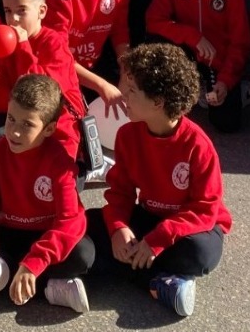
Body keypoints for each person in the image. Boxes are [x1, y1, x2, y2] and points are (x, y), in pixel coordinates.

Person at [84, 43, 231, 318]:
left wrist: (156, 240)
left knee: (201, 254)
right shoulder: (128, 135)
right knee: (88, 225)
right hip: (151, 216)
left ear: (157, 102)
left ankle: (133, 273)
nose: (122, 95)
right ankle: (160, 282)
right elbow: (120, 193)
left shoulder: (197, 144)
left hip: (190, 227)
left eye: (131, 91)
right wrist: (118, 228)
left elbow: (205, 208)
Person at [0, 74, 93, 313]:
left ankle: (0, 278)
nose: (14, 132)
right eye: (11, 119)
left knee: (83, 253)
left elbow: (69, 221)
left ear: (49, 129)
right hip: (9, 232)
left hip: (45, 235)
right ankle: (46, 286)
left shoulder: (59, 160)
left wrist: (34, 263)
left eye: (27, 124)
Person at [145, 0, 250, 133]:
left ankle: (237, 87)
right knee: (157, 42)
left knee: (227, 124)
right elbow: (153, 21)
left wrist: (225, 81)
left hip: (218, 62)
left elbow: (241, 42)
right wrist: (192, 36)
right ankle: (187, 87)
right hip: (188, 56)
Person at [0, 0, 80, 154]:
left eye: (21, 10)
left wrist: (24, 48)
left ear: (41, 11)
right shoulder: (8, 44)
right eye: (8, 11)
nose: (13, 19)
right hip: (24, 128)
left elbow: (42, 96)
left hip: (57, 134)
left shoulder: (53, 43)